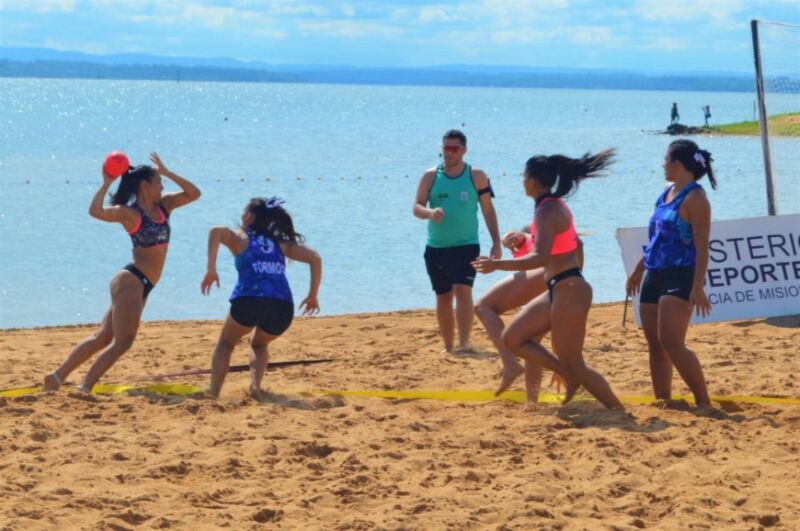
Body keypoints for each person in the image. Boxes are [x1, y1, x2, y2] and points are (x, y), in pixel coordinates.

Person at [472, 149, 624, 410]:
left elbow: (540, 257)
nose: (522, 181)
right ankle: (567, 375)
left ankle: (618, 410)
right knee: (513, 338)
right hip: (559, 288)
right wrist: (523, 241)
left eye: (524, 176)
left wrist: (497, 264)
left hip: (569, 288)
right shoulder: (549, 206)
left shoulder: (548, 210)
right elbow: (568, 246)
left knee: (575, 363)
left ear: (533, 181)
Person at [43, 153, 201, 392]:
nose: (162, 186)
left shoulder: (165, 206)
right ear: (145, 185)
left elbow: (194, 193)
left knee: (103, 337)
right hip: (131, 280)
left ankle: (56, 377)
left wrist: (167, 172)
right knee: (123, 341)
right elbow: (95, 211)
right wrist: (106, 183)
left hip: (144, 284)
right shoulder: (131, 214)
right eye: (159, 181)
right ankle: (84, 388)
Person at [201, 197, 321, 400]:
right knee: (259, 344)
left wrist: (211, 269)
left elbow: (216, 231)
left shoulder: (241, 238)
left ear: (249, 216)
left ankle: (213, 393)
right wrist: (312, 295)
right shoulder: (281, 244)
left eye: (244, 211)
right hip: (282, 307)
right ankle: (255, 387)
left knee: (226, 344)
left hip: (249, 301)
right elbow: (315, 258)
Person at [625, 139, 715, 411]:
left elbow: (702, 247)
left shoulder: (696, 199)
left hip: (681, 273)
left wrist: (697, 287)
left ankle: (703, 401)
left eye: (666, 160)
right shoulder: (666, 192)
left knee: (672, 342)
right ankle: (663, 399)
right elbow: (656, 240)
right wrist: (638, 269)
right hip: (655, 271)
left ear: (677, 163)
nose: (663, 165)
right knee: (655, 343)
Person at [474, 225, 583, 406]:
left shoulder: (532, 235)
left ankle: (510, 364)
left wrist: (509, 242)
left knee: (483, 306)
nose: (511, 244)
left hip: (550, 272)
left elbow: (521, 236)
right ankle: (532, 401)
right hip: (563, 277)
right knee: (531, 341)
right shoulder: (529, 247)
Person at [413, 129, 501, 353]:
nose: (449, 152)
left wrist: (496, 242)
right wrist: (430, 213)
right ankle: (448, 347)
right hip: (437, 247)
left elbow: (488, 210)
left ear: (464, 150)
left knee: (463, 291)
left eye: (454, 148)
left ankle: (464, 344)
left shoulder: (476, 175)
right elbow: (417, 207)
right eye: (446, 148)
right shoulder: (430, 176)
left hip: (467, 245)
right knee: (443, 296)